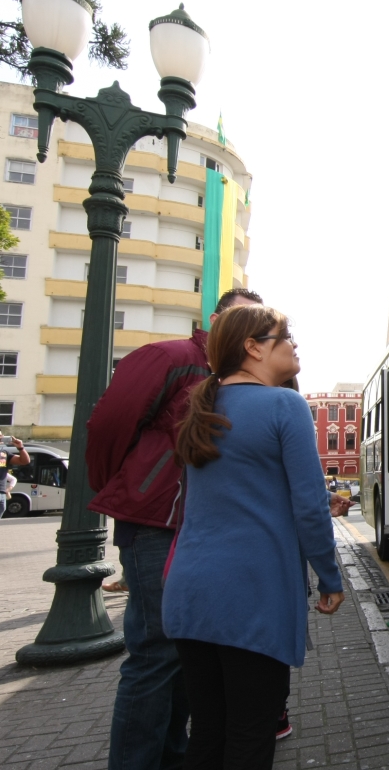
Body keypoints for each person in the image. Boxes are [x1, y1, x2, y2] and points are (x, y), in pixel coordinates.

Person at [88, 288, 263, 770]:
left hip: (207, 532)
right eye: (240, 318)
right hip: (156, 526)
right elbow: (107, 426)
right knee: (156, 654)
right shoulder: (170, 357)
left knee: (191, 652)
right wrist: (131, 488)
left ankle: (174, 756)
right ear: (214, 318)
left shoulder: (241, 379)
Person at [163, 304, 343, 770]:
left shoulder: (202, 406)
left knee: (207, 732)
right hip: (251, 595)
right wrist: (330, 576)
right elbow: (310, 506)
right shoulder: (285, 405)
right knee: (250, 733)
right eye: (285, 335)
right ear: (253, 347)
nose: (294, 344)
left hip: (189, 594)